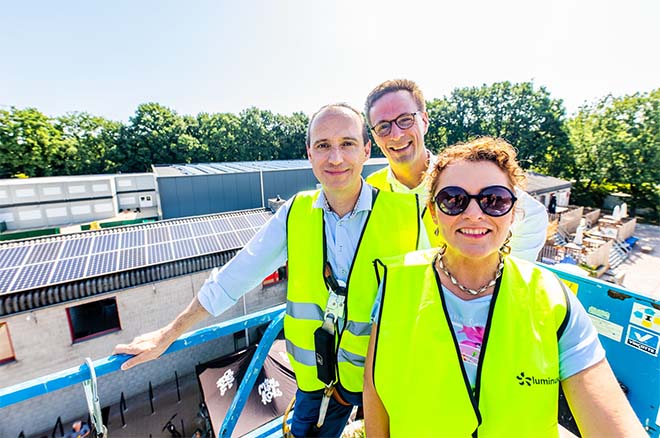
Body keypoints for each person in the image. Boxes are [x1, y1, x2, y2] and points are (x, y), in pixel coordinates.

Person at [113, 103, 421, 437]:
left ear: (365, 150)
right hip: (317, 381)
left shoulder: (406, 216)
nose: (335, 158)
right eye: (323, 146)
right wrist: (169, 332)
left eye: (347, 144)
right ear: (309, 154)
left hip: (382, 377)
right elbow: (235, 276)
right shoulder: (295, 214)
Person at [363, 137, 646, 437]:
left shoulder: (551, 298)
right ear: (433, 212)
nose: (474, 213)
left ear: (514, 212)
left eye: (494, 200)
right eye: (454, 199)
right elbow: (375, 387)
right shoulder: (396, 280)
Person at [365, 79, 548, 261]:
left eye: (405, 120)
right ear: (374, 136)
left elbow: (533, 216)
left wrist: (502, 275)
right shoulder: (371, 189)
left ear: (425, 121)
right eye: (383, 127)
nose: (396, 134)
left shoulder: (460, 177)